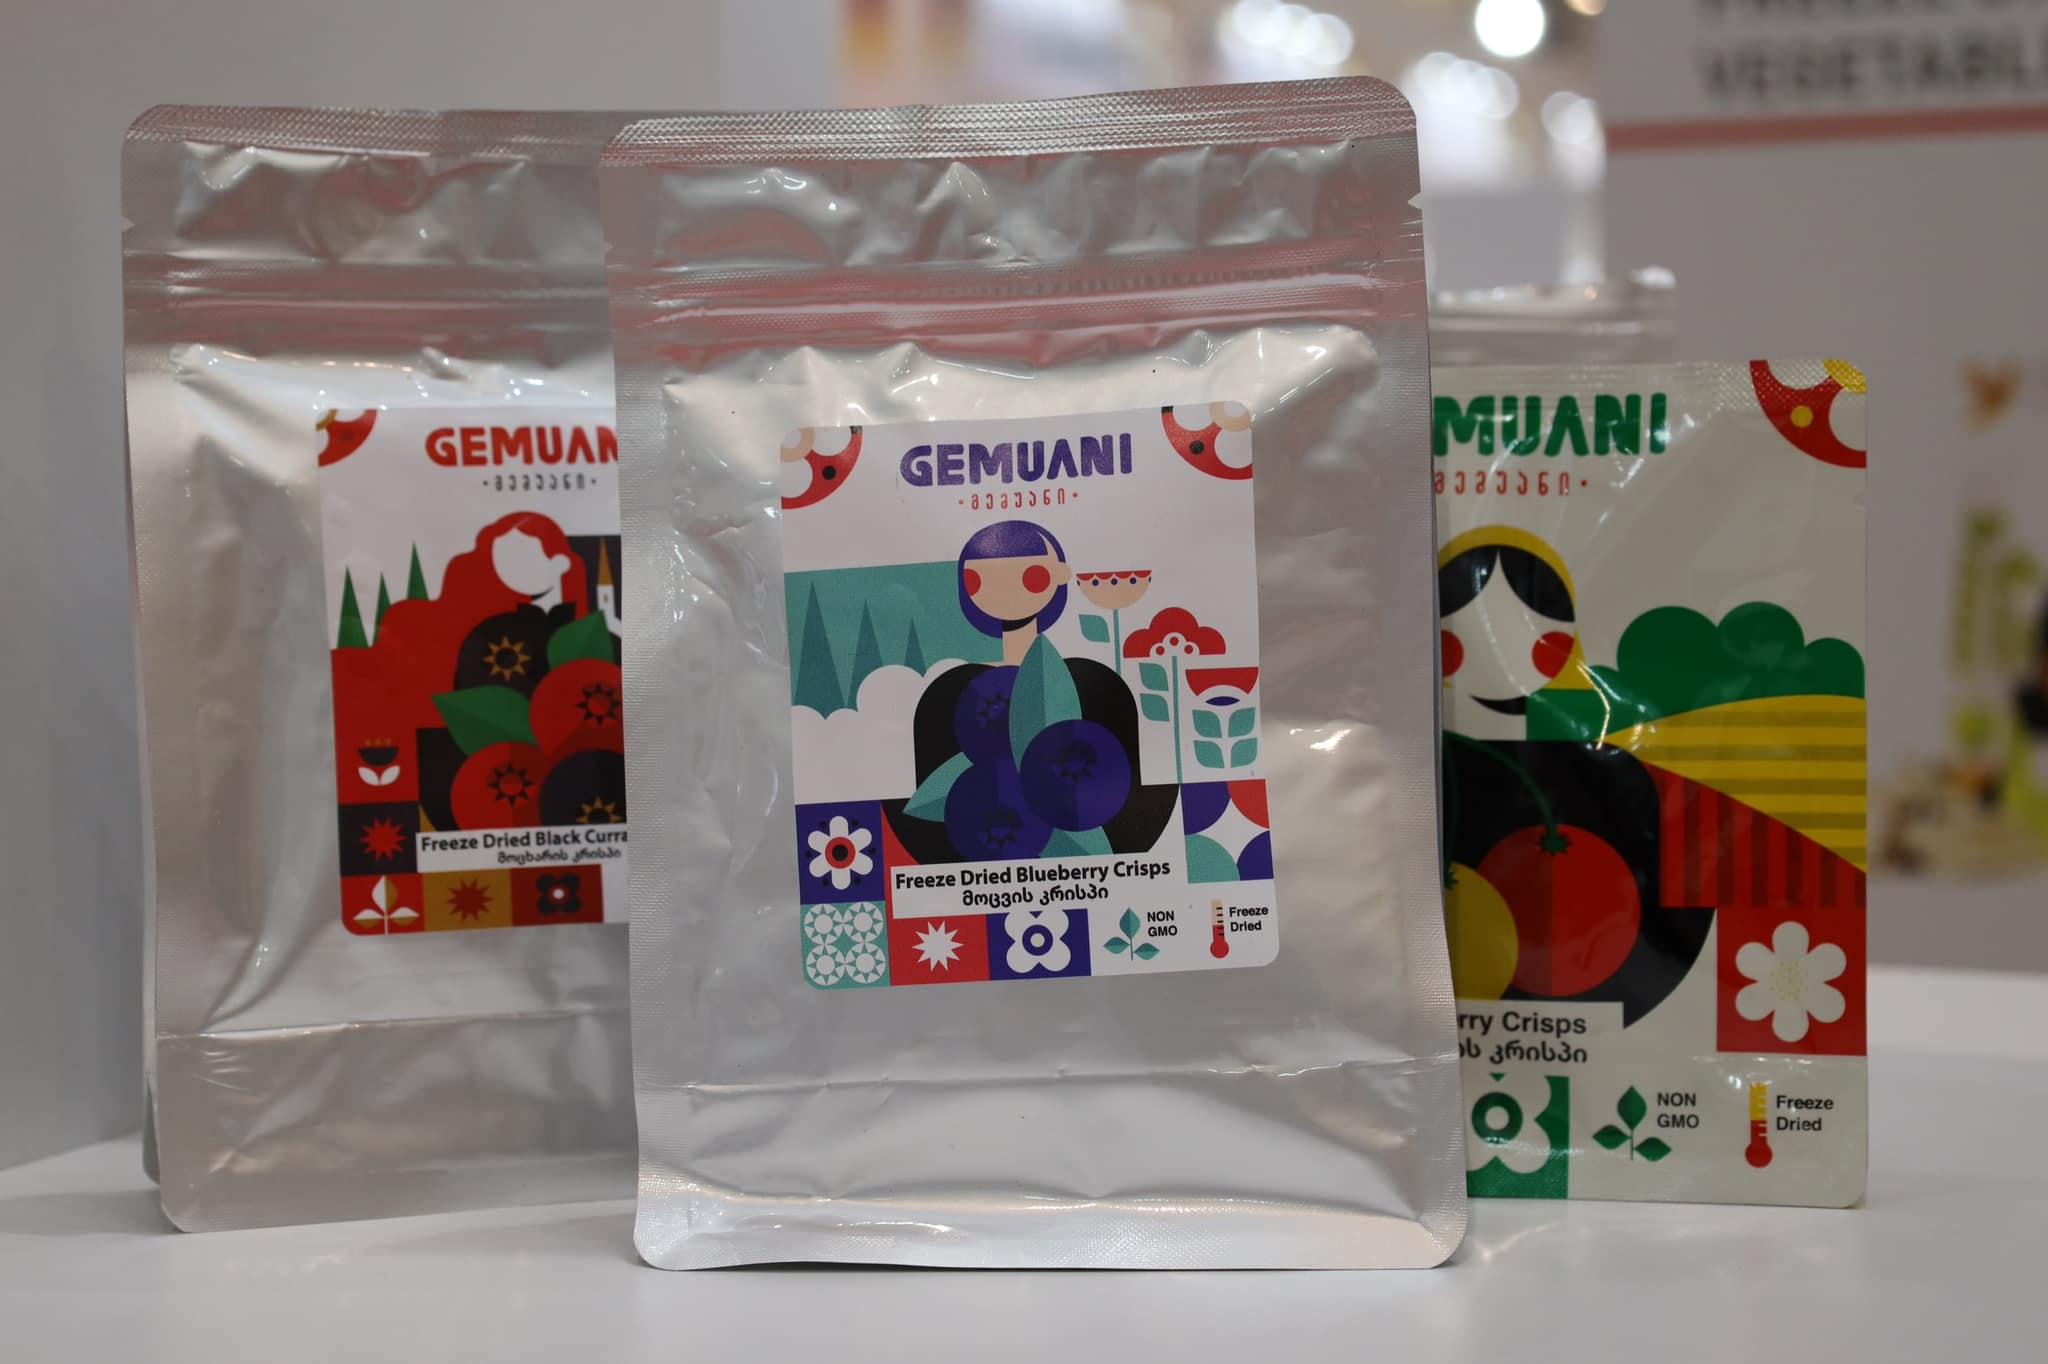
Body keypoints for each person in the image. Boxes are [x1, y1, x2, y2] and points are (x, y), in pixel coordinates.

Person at [956, 520, 1073, 667]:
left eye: (1032, 576)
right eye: (978, 579)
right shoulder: (970, 674)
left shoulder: (1070, 669)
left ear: (1061, 574)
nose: (1003, 589)